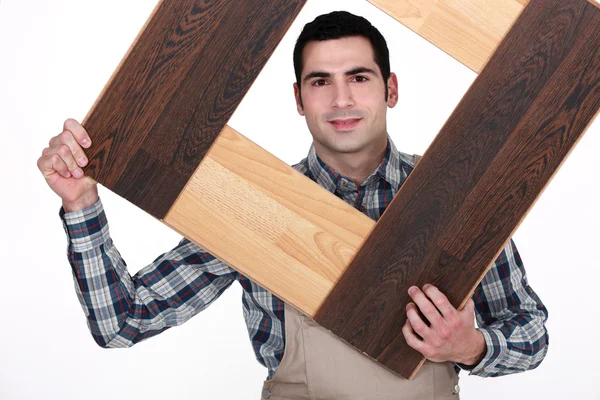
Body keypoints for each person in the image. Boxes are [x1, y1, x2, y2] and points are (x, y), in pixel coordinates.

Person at [37, 11, 549, 400]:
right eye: (320, 82)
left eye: (359, 77)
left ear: (390, 89)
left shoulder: (461, 197)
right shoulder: (253, 206)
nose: (342, 99)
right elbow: (123, 323)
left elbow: (531, 333)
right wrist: (82, 206)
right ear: (299, 99)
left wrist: (471, 348)